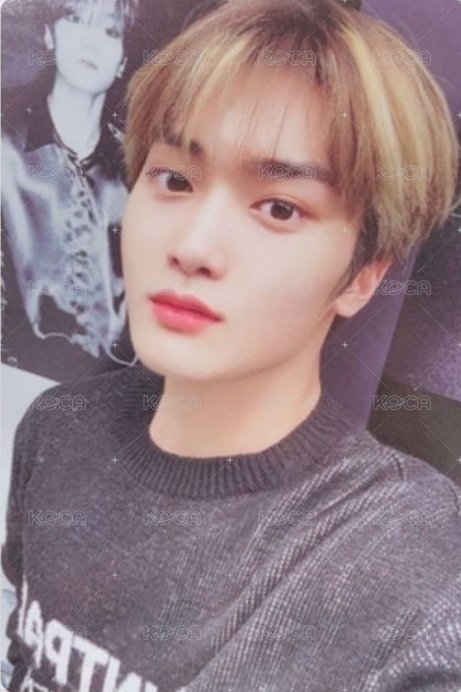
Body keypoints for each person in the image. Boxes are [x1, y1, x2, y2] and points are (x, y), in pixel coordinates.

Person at [2, 0, 461, 690]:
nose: (192, 247)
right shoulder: (58, 432)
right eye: (174, 180)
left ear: (363, 274)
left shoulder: (404, 565)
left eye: (279, 208)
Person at [1, 0, 138, 379]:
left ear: (123, 60)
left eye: (109, 30)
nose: (90, 42)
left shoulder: (141, 177)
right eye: (75, 19)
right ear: (49, 34)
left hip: (112, 397)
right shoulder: (5, 147)